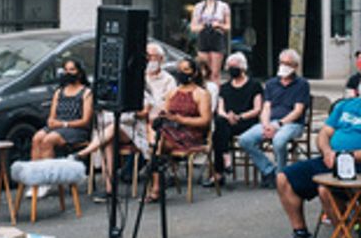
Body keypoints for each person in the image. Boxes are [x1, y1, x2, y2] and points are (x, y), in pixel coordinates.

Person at [267, 64, 361, 238]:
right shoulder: (345, 105)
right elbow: (325, 133)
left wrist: (347, 156)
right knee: (284, 178)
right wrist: (326, 151)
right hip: (331, 159)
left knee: (326, 190)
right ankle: (301, 235)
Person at [82, 43, 173, 203]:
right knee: (108, 138)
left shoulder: (168, 80)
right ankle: (110, 190)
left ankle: (85, 152)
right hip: (126, 125)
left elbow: (157, 108)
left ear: (161, 59)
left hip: (148, 125)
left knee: (113, 130)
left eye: (152, 57)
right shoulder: (134, 77)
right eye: (147, 57)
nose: (149, 60)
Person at [237, 49, 310, 188]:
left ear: (295, 66)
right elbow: (266, 107)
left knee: (279, 141)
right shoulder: (271, 83)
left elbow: (298, 111)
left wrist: (279, 124)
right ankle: (269, 170)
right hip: (270, 122)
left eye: (288, 63)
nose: (284, 66)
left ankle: (280, 175)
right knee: (244, 140)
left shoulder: (302, 84)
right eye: (282, 62)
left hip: (291, 124)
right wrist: (266, 125)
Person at [149, 56, 212, 201]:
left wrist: (182, 119)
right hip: (172, 130)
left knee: (157, 145)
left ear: (194, 73)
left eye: (186, 70)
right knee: (158, 138)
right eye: (179, 70)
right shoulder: (173, 92)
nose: (182, 73)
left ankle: (156, 187)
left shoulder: (201, 94)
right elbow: (165, 112)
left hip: (192, 134)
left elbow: (205, 120)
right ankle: (158, 182)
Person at [208, 52, 263, 187]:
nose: (232, 69)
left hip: (247, 121)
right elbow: (220, 109)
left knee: (220, 132)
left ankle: (219, 173)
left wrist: (240, 116)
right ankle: (226, 158)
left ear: (243, 67)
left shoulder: (254, 85)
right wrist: (228, 116)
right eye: (230, 66)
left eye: (235, 66)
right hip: (227, 121)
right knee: (220, 124)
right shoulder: (225, 87)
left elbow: (257, 109)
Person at [31, 58, 94, 159]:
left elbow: (85, 121)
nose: (68, 73)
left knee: (49, 140)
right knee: (37, 138)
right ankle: (35, 172)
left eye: (72, 70)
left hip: (76, 129)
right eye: (66, 70)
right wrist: (51, 121)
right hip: (58, 126)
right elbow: (52, 116)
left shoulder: (86, 93)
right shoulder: (59, 92)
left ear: (80, 73)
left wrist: (64, 124)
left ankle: (49, 173)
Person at [190, 0, 231, 85]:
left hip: (216, 37)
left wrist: (219, 25)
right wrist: (202, 26)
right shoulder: (198, 7)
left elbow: (228, 27)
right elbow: (193, 27)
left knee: (215, 73)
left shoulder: (223, 6)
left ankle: (216, 96)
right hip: (203, 37)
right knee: (204, 71)